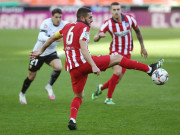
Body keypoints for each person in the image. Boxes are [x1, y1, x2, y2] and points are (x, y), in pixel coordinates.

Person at [30, 7, 164, 130]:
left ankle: (72, 120)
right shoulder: (84, 28)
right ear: (82, 18)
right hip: (84, 63)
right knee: (117, 57)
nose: (92, 20)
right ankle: (149, 69)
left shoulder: (67, 26)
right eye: (90, 18)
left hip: (73, 68)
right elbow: (83, 48)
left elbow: (52, 38)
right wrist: (93, 66)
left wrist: (40, 50)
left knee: (79, 96)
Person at [92, 2, 148, 104]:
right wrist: (99, 36)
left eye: (118, 9)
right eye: (114, 10)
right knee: (117, 72)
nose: (116, 11)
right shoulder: (107, 23)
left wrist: (142, 47)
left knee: (117, 80)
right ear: (111, 11)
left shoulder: (130, 19)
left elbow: (138, 31)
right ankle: (108, 99)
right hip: (115, 52)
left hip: (127, 53)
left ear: (120, 10)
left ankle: (101, 88)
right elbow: (96, 37)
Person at [19, 8, 68, 104]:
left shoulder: (64, 24)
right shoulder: (46, 23)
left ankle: (49, 86)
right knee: (31, 76)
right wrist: (54, 38)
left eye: (60, 17)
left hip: (51, 52)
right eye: (56, 17)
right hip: (38, 52)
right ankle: (22, 94)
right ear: (52, 17)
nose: (58, 19)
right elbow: (40, 37)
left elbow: (74, 28)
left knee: (58, 67)